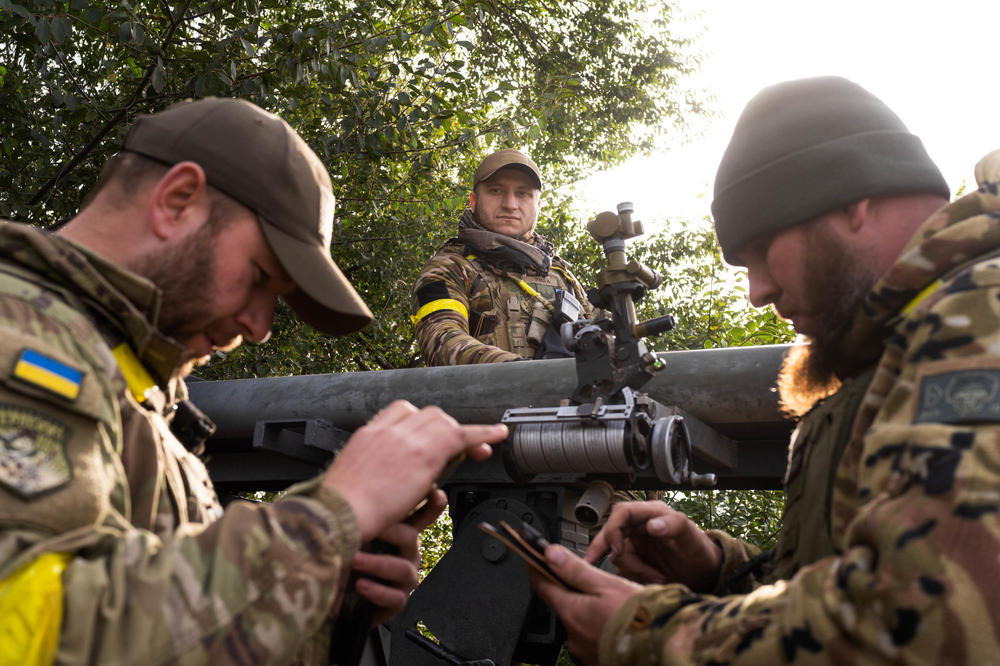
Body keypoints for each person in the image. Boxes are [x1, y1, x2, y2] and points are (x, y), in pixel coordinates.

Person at [0, 97, 508, 665]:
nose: (261, 327)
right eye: (259, 277)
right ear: (176, 200)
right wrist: (327, 519)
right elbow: (32, 639)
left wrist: (319, 596)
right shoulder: (16, 342)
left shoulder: (136, 391)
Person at [528, 76, 1000, 664]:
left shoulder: (981, 317)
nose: (758, 292)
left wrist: (646, 636)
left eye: (762, 251)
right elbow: (853, 580)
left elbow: (931, 626)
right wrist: (719, 572)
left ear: (854, 200)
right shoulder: (900, 341)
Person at [410, 148, 593, 365]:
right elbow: (441, 340)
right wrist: (520, 372)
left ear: (538, 205)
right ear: (473, 201)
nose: (510, 204)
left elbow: (605, 341)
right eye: (496, 191)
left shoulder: (562, 277)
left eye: (522, 193)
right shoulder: (449, 267)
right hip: (487, 396)